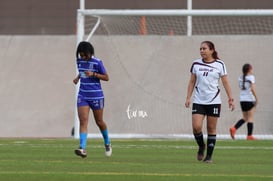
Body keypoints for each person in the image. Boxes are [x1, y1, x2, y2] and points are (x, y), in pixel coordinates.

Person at [185, 41, 235, 163]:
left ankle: (209, 157)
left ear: (212, 50)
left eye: (204, 48)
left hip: (214, 101)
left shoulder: (220, 64)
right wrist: (188, 97)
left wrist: (230, 98)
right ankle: (202, 146)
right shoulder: (196, 64)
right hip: (199, 100)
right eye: (200, 49)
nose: (202, 51)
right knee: (196, 127)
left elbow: (225, 82)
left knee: (211, 128)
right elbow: (192, 81)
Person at [73, 41, 112, 158]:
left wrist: (94, 74)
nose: (83, 57)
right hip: (83, 95)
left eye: (85, 55)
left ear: (90, 53)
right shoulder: (79, 61)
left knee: (99, 122)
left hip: (96, 96)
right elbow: (82, 72)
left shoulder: (97, 62)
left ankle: (107, 143)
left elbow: (106, 77)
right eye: (81, 55)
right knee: (83, 121)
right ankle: (82, 148)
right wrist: (77, 78)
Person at [230, 63, 258, 140]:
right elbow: (252, 89)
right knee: (250, 118)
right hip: (250, 100)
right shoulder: (251, 77)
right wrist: (256, 98)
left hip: (242, 100)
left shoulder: (240, 77)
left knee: (245, 118)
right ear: (249, 69)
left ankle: (234, 128)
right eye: (251, 69)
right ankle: (249, 135)